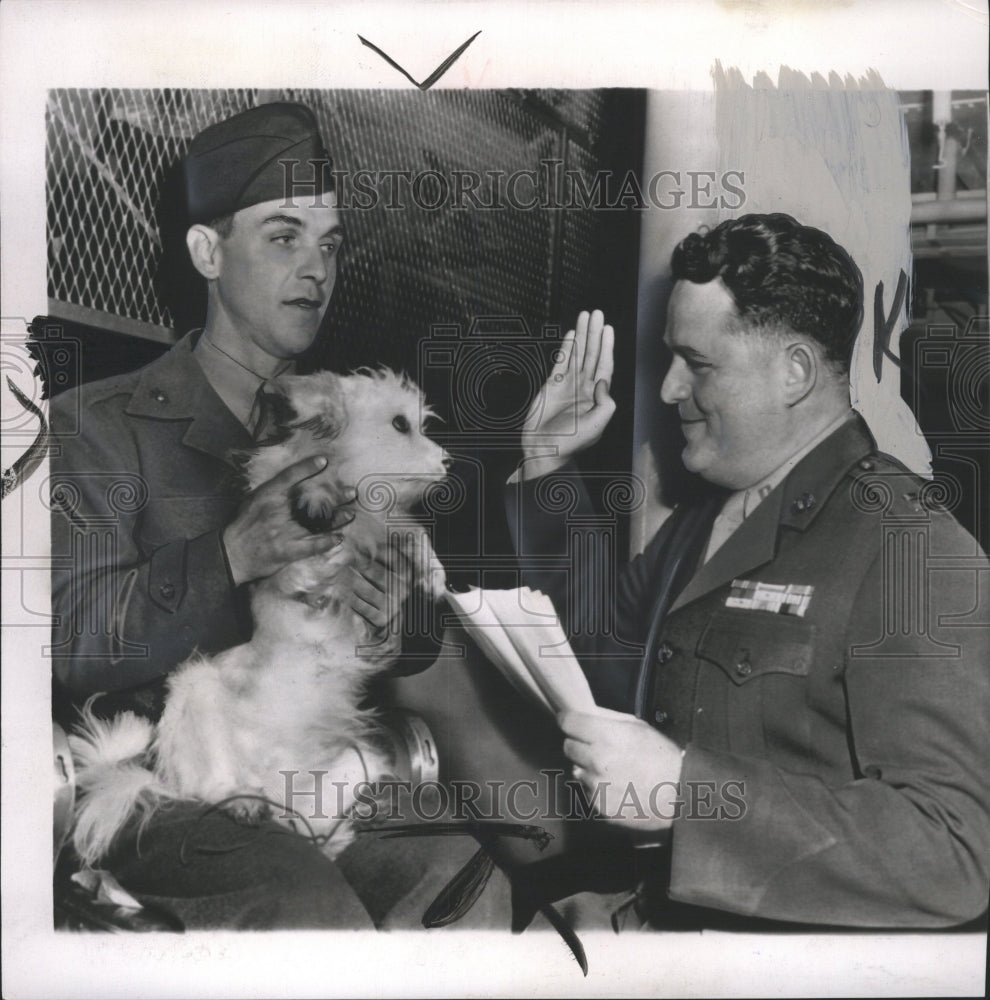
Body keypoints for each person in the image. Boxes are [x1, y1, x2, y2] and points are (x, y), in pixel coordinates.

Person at [50, 103, 500, 930]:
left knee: (469, 874)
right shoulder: (95, 425)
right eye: (284, 236)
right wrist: (229, 556)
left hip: (317, 762)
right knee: (304, 902)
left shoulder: (358, 421)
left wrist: (396, 621)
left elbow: (407, 638)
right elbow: (69, 641)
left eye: (329, 245)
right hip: (163, 781)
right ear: (206, 251)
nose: (317, 269)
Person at [507, 213, 990, 928]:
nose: (669, 389)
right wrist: (548, 468)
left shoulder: (909, 546)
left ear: (793, 372)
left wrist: (686, 793)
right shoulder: (709, 519)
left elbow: (951, 852)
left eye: (697, 364)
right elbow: (604, 663)